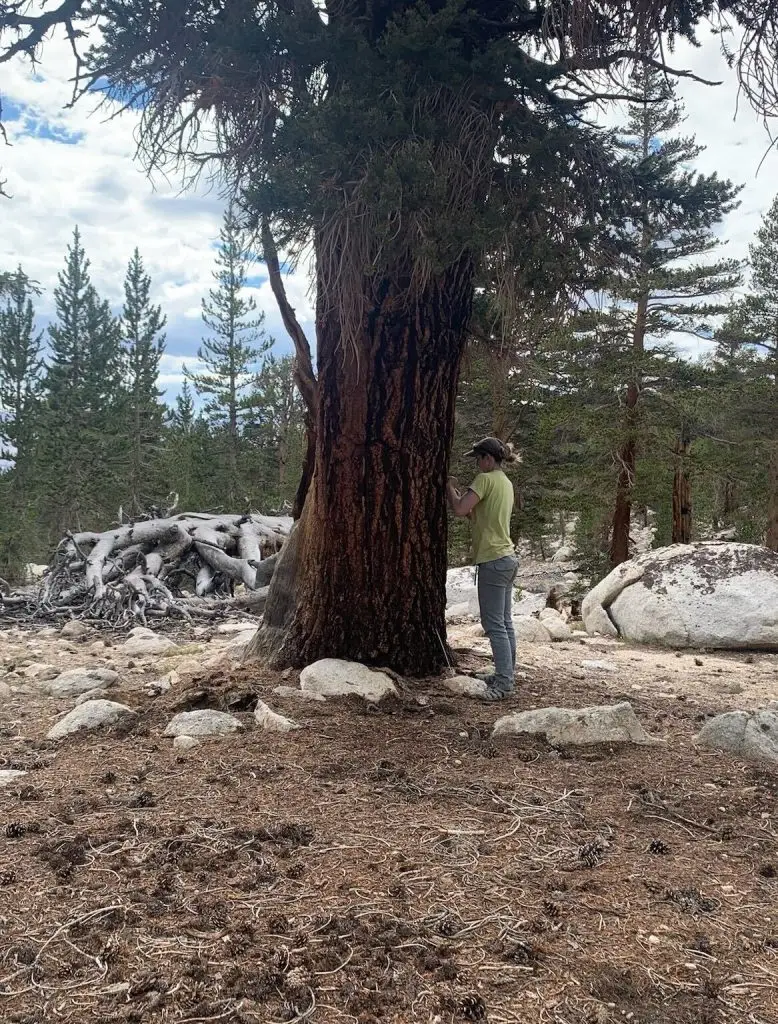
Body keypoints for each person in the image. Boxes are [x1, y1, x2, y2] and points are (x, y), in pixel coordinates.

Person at [446, 437, 519, 701]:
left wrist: (449, 487)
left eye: (478, 459)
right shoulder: (505, 483)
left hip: (492, 558)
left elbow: (459, 508)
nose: (477, 463)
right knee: (505, 622)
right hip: (507, 557)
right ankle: (507, 673)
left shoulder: (485, 480)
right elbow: (477, 513)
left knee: (494, 624)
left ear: (488, 459)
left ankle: (503, 683)